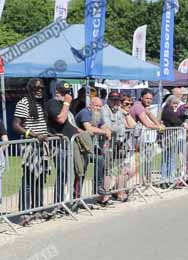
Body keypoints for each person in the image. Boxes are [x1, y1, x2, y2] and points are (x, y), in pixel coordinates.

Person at [12, 78, 51, 225]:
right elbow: (16, 125)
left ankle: (38, 210)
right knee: (28, 180)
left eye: (41, 88)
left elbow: (41, 126)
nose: (39, 90)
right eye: (36, 88)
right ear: (30, 89)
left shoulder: (41, 104)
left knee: (40, 180)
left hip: (42, 147)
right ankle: (24, 213)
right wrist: (34, 135)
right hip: (30, 147)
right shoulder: (24, 103)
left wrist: (51, 134)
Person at [75, 97, 113, 206]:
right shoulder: (85, 113)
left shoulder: (97, 114)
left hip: (88, 146)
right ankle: (76, 199)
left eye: (100, 106)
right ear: (90, 105)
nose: (98, 108)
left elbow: (103, 124)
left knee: (100, 159)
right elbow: (89, 128)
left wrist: (107, 129)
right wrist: (104, 132)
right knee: (80, 172)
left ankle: (98, 187)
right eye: (96, 106)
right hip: (79, 146)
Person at [45, 81, 77, 209]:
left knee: (69, 174)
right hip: (59, 146)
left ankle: (67, 201)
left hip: (69, 145)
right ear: (57, 92)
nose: (66, 95)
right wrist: (67, 102)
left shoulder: (65, 105)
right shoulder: (53, 103)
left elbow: (69, 124)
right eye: (63, 93)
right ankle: (58, 203)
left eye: (68, 93)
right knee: (62, 174)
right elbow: (61, 119)